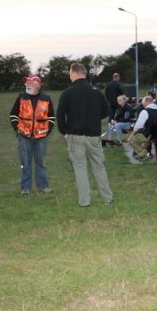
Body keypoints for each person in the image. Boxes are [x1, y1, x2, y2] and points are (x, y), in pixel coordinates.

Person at [57, 63, 113, 207]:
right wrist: (92, 119)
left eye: (70, 73)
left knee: (80, 167)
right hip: (94, 136)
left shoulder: (67, 93)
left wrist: (65, 131)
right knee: (99, 166)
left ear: (75, 73)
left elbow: (60, 115)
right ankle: (108, 198)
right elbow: (106, 112)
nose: (69, 76)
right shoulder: (96, 91)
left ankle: (85, 201)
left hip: (75, 136)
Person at [9, 74, 56, 195]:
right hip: (24, 136)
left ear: (38, 85)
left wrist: (47, 130)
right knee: (25, 163)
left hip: (41, 137)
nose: (27, 84)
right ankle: (25, 188)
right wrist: (17, 128)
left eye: (30, 82)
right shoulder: (21, 97)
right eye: (27, 82)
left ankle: (43, 186)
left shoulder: (46, 98)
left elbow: (51, 117)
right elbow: (13, 115)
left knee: (41, 162)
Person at [129, 95, 157, 161]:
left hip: (148, 135)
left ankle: (146, 154)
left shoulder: (145, 111)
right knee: (143, 139)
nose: (143, 105)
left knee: (131, 140)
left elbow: (138, 125)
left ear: (146, 102)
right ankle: (142, 152)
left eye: (143, 103)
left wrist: (132, 134)